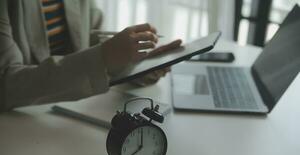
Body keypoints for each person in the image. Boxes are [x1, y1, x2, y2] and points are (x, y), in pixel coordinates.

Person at [0, 0, 182, 112]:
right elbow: (6, 84)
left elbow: (90, 43)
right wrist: (104, 57)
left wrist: (134, 65)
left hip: (67, 118)